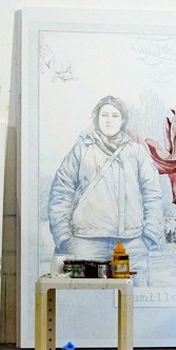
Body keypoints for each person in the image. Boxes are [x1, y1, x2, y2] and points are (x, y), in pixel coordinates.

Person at [47, 95, 164, 285]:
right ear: (97, 118)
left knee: (134, 296)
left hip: (132, 243)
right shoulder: (81, 150)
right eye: (104, 115)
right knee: (85, 297)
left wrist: (149, 234)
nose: (109, 120)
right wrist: (64, 238)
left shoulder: (137, 152)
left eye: (114, 115)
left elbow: (152, 194)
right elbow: (61, 192)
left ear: (123, 120)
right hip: (86, 242)